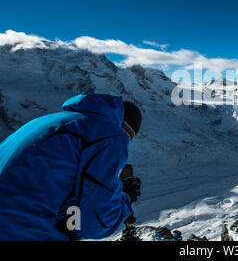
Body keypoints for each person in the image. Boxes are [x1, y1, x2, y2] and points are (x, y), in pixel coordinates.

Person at [0, 93, 142, 241]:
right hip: (24, 230)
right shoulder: (110, 134)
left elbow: (57, 193)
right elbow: (96, 224)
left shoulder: (51, 121)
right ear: (125, 130)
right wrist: (125, 198)